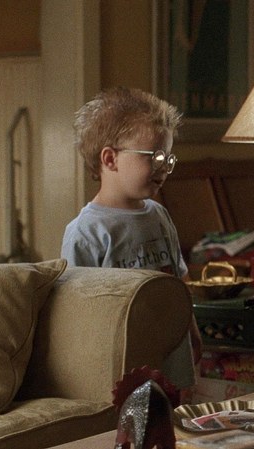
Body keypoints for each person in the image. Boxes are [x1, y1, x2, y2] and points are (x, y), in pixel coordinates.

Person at [61, 87, 203, 396]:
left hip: (170, 354)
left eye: (168, 158)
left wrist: (191, 328)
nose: (164, 167)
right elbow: (75, 313)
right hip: (121, 364)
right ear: (110, 159)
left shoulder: (159, 215)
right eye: (155, 157)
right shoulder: (86, 232)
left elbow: (177, 280)